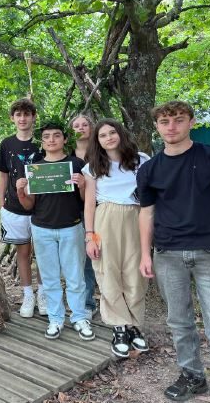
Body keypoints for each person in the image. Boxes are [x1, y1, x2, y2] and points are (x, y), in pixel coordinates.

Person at [137, 101, 210, 403]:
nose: (171, 127)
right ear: (157, 126)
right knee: (180, 323)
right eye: (164, 121)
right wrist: (146, 254)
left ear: (191, 123)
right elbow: (146, 214)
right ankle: (193, 376)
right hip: (168, 254)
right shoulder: (149, 169)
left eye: (178, 120)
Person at [16, 120, 94, 341]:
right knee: (49, 278)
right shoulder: (35, 169)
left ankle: (79, 318)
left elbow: (84, 202)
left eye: (56, 136)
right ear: (42, 141)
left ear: (65, 139)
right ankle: (56, 319)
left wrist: (82, 186)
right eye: (47, 136)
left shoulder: (77, 164)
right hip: (42, 229)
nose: (52, 140)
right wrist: (21, 192)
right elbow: (29, 205)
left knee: (75, 277)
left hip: (71, 227)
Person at [82, 118, 150, 358]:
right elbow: (90, 203)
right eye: (103, 135)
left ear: (120, 134)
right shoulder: (93, 166)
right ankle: (119, 326)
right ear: (97, 141)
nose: (109, 137)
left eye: (112, 132)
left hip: (136, 217)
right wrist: (89, 236)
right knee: (107, 270)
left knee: (135, 271)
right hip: (105, 218)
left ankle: (134, 325)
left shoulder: (140, 160)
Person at [0, 98, 46, 318]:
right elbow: (3, 174)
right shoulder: (7, 144)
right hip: (14, 208)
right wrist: (1, 203)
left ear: (34, 116)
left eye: (27, 114)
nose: (23, 118)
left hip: (42, 207)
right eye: (18, 114)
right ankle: (28, 294)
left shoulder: (44, 142)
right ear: (12, 118)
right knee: (23, 252)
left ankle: (44, 293)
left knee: (44, 253)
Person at [70, 114, 98, 319]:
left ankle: (91, 302)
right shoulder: (64, 155)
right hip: (72, 214)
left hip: (99, 214)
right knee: (79, 259)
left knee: (94, 256)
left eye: (85, 124)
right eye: (76, 125)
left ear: (91, 128)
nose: (81, 128)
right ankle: (85, 301)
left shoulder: (101, 153)